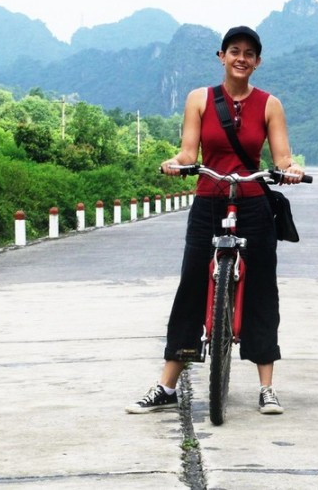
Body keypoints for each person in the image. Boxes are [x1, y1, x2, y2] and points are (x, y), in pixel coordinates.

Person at [126, 26, 304, 416]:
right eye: (234, 51)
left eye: (250, 53)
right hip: (209, 200)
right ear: (221, 56)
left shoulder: (270, 104)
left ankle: (267, 388)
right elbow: (190, 152)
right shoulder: (199, 99)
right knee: (192, 283)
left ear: (257, 62)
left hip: (254, 205)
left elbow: (282, 157)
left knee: (261, 289)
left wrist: (290, 170)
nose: (241, 58)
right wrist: (176, 164)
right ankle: (166, 385)